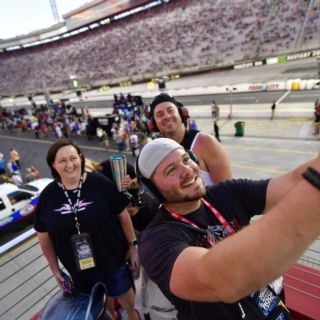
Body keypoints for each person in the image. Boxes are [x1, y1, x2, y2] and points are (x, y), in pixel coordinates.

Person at [136, 138, 320, 320]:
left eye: (186, 159)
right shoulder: (155, 242)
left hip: (273, 310)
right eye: (171, 170)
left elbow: (291, 183)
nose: (186, 170)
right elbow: (224, 280)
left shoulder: (226, 193)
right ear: (152, 190)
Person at [34, 139, 140, 320]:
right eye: (62, 160)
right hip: (81, 271)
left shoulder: (100, 183)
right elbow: (43, 237)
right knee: (103, 311)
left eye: (73, 158)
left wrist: (133, 246)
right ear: (53, 164)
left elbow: (123, 215)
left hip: (113, 262)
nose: (69, 165)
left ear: (81, 158)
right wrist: (55, 270)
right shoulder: (47, 197)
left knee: (130, 306)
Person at [149, 93, 232, 185]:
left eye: (171, 110)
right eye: (160, 114)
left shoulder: (205, 142)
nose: (167, 116)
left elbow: (229, 190)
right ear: (154, 124)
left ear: (181, 113)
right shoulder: (160, 152)